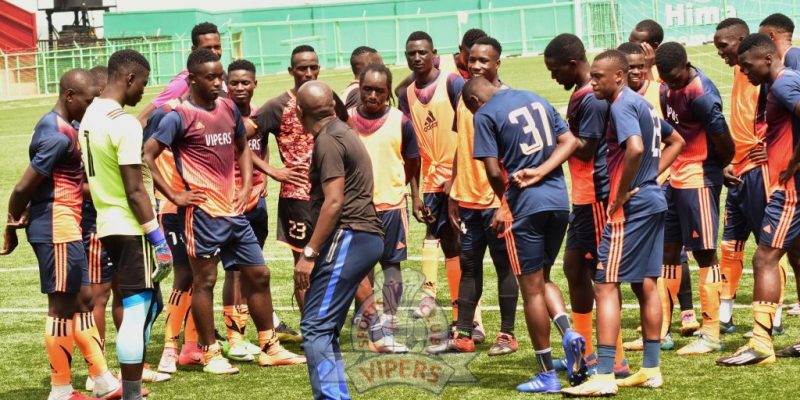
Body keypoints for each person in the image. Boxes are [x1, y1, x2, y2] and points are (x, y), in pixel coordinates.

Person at [144, 48, 305, 375]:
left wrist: (245, 186)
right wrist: (174, 194)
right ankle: (210, 353)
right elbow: (147, 154)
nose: (219, 83)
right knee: (204, 281)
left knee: (258, 274)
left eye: (220, 76)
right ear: (192, 79)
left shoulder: (228, 108)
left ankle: (270, 347)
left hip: (234, 212)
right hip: (203, 214)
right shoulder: (178, 116)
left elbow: (242, 146)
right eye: (211, 77)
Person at [562, 49, 684, 398]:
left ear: (619, 76)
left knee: (605, 284)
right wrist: (649, 177)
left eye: (598, 77)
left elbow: (635, 148)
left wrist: (622, 191)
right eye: (592, 76)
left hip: (631, 207)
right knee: (646, 284)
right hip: (653, 199)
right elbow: (676, 141)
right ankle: (651, 369)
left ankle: (604, 374)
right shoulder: (642, 103)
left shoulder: (620, 105)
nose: (592, 82)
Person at [0, 68, 122, 400]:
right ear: (69, 96)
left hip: (66, 223)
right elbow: (23, 186)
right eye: (88, 100)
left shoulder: (61, 126)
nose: (91, 106)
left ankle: (103, 381)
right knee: (61, 308)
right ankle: (61, 389)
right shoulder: (57, 135)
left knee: (84, 300)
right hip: (57, 226)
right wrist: (11, 227)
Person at [465, 77, 587, 393]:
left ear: (475, 101)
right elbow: (570, 142)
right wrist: (543, 171)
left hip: (525, 206)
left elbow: (493, 170)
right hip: (558, 200)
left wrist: (504, 202)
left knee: (530, 290)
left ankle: (546, 374)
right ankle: (569, 333)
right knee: (543, 278)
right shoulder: (535, 97)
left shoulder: (484, 114)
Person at [78, 49, 171, 400]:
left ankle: (127, 385)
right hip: (132, 227)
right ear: (129, 78)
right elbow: (135, 189)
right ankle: (130, 393)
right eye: (143, 83)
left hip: (107, 223)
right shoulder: (124, 123)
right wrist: (158, 239)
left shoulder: (90, 115)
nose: (144, 91)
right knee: (137, 308)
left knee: (149, 304)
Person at [544, 33, 630, 376]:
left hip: (597, 195)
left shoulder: (591, 99)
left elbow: (587, 148)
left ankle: (616, 359)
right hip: (582, 198)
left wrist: (555, 133)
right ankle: (585, 352)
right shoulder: (582, 94)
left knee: (602, 278)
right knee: (573, 268)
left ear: (572, 64)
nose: (553, 77)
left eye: (555, 70)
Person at [428, 36, 520, 357]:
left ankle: (507, 334)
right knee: (469, 267)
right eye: (473, 60)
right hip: (467, 200)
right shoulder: (466, 96)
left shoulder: (508, 99)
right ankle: (464, 334)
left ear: (498, 63)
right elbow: (461, 147)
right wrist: (454, 191)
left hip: (496, 202)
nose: (477, 65)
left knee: (504, 266)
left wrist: (507, 202)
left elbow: (513, 156)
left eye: (485, 60)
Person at [294, 81, 384, 400]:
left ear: (300, 113)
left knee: (315, 327)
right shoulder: (343, 131)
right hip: (361, 237)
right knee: (325, 326)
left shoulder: (329, 140)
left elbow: (334, 202)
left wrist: (309, 253)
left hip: (349, 236)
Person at [717, 33, 800, 365]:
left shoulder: (782, 84)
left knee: (764, 258)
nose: (743, 71)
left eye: (747, 65)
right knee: (797, 256)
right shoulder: (786, 81)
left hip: (790, 190)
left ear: (767, 59)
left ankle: (761, 343)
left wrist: (793, 163)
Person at [253, 44, 348, 315]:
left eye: (313, 67)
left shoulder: (329, 98)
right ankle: (311, 327)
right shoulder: (277, 106)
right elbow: (239, 141)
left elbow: (348, 132)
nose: (308, 72)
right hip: (297, 199)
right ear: (291, 71)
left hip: (331, 194)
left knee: (337, 262)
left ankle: (329, 323)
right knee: (304, 266)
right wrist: (272, 171)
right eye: (302, 68)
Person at [655, 42, 735, 355]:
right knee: (668, 252)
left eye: (675, 78)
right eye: (666, 79)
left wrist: (720, 166)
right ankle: (661, 332)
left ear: (686, 65)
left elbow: (723, 140)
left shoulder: (702, 94)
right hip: (675, 177)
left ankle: (711, 334)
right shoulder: (666, 87)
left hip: (699, 178)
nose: (671, 84)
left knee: (704, 253)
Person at [616, 42, 694, 348]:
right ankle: (661, 326)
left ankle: (686, 312)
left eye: (641, 67)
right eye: (630, 68)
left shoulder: (658, 92)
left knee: (673, 253)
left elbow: (675, 136)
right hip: (643, 185)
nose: (636, 72)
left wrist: (655, 172)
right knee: (659, 258)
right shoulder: (621, 98)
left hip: (658, 182)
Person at [398, 31, 469, 330]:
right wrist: (414, 193)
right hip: (429, 177)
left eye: (422, 52)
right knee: (434, 234)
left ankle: (466, 312)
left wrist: (455, 176)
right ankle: (429, 296)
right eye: (411, 53)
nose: (417, 58)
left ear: (434, 54)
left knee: (459, 242)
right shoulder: (406, 95)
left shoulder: (453, 83)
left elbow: (467, 130)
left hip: (458, 175)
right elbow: (410, 150)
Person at [347, 63, 419, 353]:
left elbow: (412, 161)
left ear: (388, 92)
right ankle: (368, 320)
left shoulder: (401, 121)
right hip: (357, 208)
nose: (373, 96)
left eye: (379, 90)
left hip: (391, 204)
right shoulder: (347, 120)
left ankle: (388, 322)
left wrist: (405, 190)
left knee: (391, 265)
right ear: (360, 89)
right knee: (359, 267)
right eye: (367, 89)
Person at [137, 22, 225, 126]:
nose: (214, 52)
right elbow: (142, 119)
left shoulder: (224, 77)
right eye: (207, 48)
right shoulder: (183, 82)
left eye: (217, 47)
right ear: (194, 50)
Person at [394, 28, 486, 98]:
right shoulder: (439, 63)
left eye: (481, 59)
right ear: (460, 49)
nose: (475, 65)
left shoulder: (486, 70)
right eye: (469, 59)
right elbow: (400, 90)